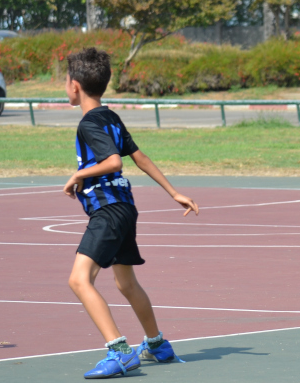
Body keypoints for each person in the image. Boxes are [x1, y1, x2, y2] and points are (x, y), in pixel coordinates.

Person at [62, 48, 199, 379]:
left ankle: (120, 352)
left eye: (65, 81)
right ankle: (156, 344)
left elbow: (114, 161)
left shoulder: (89, 122)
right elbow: (140, 157)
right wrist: (173, 191)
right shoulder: (110, 116)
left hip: (109, 210)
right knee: (125, 282)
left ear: (75, 85)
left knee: (79, 280)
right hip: (125, 207)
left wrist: (78, 175)